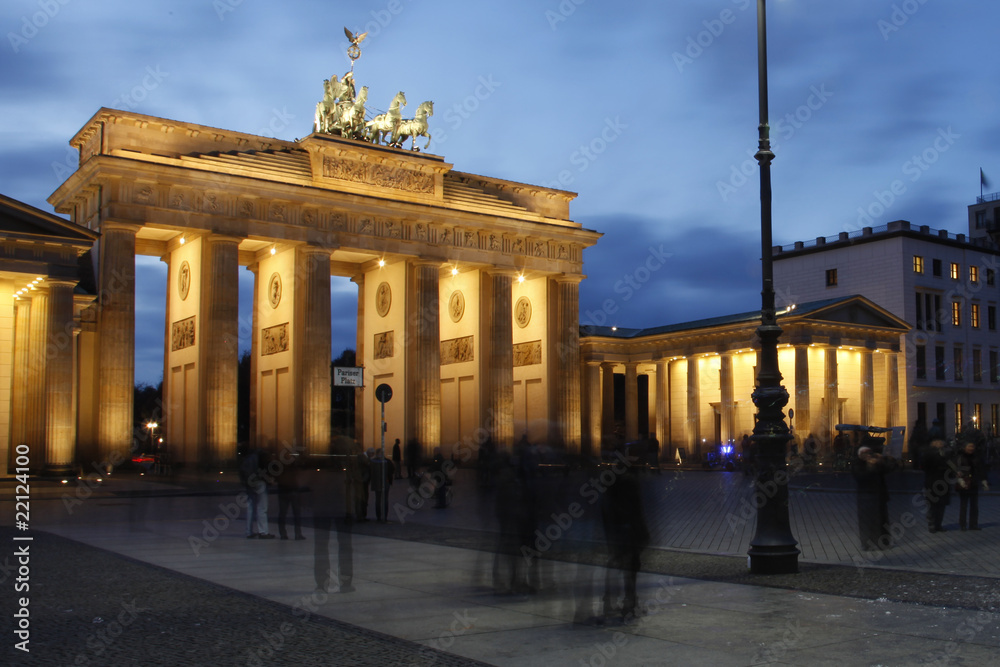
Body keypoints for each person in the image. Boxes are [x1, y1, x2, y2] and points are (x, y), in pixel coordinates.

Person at [601, 445, 649, 621]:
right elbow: (636, 509)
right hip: (628, 530)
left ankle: (609, 600)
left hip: (617, 530)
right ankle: (629, 603)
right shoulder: (629, 481)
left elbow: (606, 507)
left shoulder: (611, 480)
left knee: (615, 564)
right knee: (630, 568)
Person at [853, 444, 897, 550]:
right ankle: (866, 543)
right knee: (867, 522)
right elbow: (860, 476)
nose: (868, 455)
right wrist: (870, 466)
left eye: (869, 453)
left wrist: (886, 459)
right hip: (866, 497)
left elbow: (889, 469)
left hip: (880, 496)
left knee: (882, 521)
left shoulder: (877, 462)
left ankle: (884, 542)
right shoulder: (858, 464)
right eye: (865, 453)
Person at [922, 420, 951, 533]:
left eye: (941, 442)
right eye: (938, 442)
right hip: (932, 481)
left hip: (943, 482)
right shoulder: (929, 453)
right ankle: (932, 524)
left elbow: (951, 466)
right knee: (932, 505)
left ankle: (939, 524)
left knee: (941, 504)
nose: (940, 444)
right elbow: (925, 466)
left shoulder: (946, 453)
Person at [239, 444, 274, 539]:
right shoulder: (261, 457)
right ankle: (263, 532)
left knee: (250, 508)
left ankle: (249, 532)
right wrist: (269, 480)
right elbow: (264, 471)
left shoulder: (247, 458)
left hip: (249, 484)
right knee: (262, 507)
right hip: (260, 482)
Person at [955, 439, 989, 531]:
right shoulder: (960, 457)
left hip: (973, 482)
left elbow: (981, 469)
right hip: (964, 482)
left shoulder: (976, 457)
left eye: (972, 446)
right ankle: (962, 524)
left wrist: (984, 480)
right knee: (964, 505)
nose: (971, 448)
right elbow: (955, 469)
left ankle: (973, 524)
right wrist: (959, 478)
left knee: (974, 505)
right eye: (969, 446)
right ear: (964, 447)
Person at [276, 446, 305, 540]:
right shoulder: (292, 465)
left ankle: (283, 533)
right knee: (295, 513)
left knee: (283, 513)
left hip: (285, 489)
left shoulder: (280, 465)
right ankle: (297, 533)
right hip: (291, 489)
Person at [370, 448, 393, 522]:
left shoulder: (373, 461)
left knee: (379, 500)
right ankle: (384, 516)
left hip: (377, 483)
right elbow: (392, 470)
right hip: (385, 483)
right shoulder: (387, 461)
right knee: (384, 500)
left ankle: (379, 517)